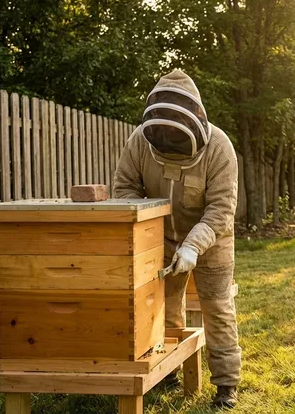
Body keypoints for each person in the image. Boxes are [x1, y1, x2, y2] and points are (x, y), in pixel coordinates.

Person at [114, 69, 241, 409]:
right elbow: (125, 189)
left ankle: (226, 384)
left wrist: (193, 246)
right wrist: (148, 237)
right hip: (160, 240)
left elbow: (221, 210)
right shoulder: (139, 142)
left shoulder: (220, 148)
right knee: (164, 306)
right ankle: (167, 370)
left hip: (212, 241)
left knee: (217, 307)